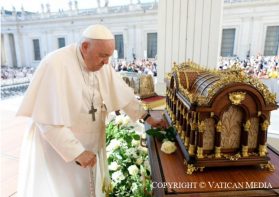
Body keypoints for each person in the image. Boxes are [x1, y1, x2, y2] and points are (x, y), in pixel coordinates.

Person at [17, 24, 167, 197]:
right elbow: (46, 120)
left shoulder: (100, 64)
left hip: (89, 146)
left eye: (109, 57)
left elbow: (122, 94)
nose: (106, 62)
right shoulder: (55, 64)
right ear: (85, 47)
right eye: (103, 56)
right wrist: (76, 152)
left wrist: (147, 117)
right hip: (58, 151)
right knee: (65, 190)